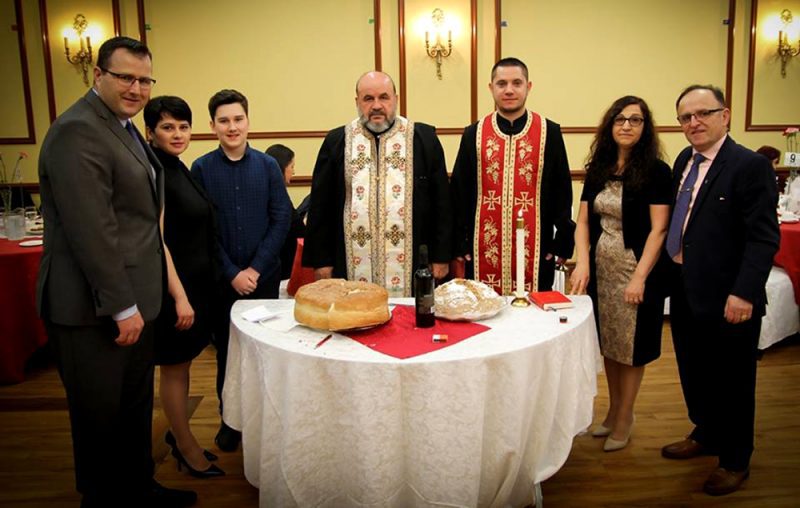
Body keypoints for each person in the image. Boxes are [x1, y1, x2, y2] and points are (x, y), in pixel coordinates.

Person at [35, 37, 196, 507]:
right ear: (98, 75)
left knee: (132, 410)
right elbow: (92, 230)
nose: (136, 88)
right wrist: (123, 306)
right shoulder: (77, 131)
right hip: (93, 309)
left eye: (145, 80)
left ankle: (139, 489)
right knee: (99, 420)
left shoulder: (122, 127)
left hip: (135, 302)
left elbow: (138, 220)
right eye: (125, 77)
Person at [661, 85, 779, 496]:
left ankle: (735, 459)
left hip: (730, 295)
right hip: (686, 287)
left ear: (725, 115)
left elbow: (763, 237)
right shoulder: (684, 160)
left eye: (703, 113)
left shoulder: (750, 166)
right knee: (695, 371)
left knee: (733, 381)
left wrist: (744, 292)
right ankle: (706, 433)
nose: (694, 123)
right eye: (685, 117)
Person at [191, 89, 292, 452]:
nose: (232, 127)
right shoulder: (201, 169)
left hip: (263, 280)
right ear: (212, 126)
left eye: (238, 119)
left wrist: (255, 268)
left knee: (265, 350)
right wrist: (233, 272)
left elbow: (281, 218)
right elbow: (203, 228)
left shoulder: (267, 166)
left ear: (248, 121)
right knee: (228, 352)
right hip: (222, 282)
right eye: (224, 121)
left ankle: (267, 418)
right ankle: (230, 421)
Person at [569, 96, 671, 452]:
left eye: (635, 120)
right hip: (601, 269)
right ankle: (613, 412)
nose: (627, 125)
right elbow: (583, 221)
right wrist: (582, 263)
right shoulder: (599, 167)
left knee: (632, 349)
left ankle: (626, 416)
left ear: (645, 127)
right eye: (620, 119)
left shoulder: (656, 171)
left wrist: (640, 277)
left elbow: (659, 230)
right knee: (610, 345)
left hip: (635, 268)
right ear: (610, 125)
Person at [303, 71, 452, 295]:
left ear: (396, 99)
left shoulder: (422, 139)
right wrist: (321, 261)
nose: (376, 106)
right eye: (368, 99)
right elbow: (320, 206)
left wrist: (441, 256)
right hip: (348, 262)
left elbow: (442, 202)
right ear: (357, 102)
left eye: (384, 97)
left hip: (414, 262)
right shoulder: (337, 141)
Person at [144, 96, 224, 478]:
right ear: (150, 132)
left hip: (195, 286)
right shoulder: (155, 171)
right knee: (174, 369)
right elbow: (157, 241)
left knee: (184, 365)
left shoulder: (179, 167)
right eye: (167, 127)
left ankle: (180, 434)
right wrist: (179, 296)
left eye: (183, 126)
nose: (177, 134)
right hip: (175, 291)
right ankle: (185, 445)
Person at [450, 57, 574, 294]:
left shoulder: (549, 132)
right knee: (485, 308)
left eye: (516, 83)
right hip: (480, 248)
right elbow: (459, 192)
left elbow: (562, 190)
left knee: (534, 312)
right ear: (491, 88)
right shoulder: (474, 134)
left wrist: (562, 241)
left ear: (528, 86)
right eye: (502, 83)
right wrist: (459, 242)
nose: (509, 90)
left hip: (538, 248)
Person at [265, 143, 308, 280]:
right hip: (282, 270)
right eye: (292, 166)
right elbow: (298, 231)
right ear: (282, 167)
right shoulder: (278, 197)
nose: (293, 172)